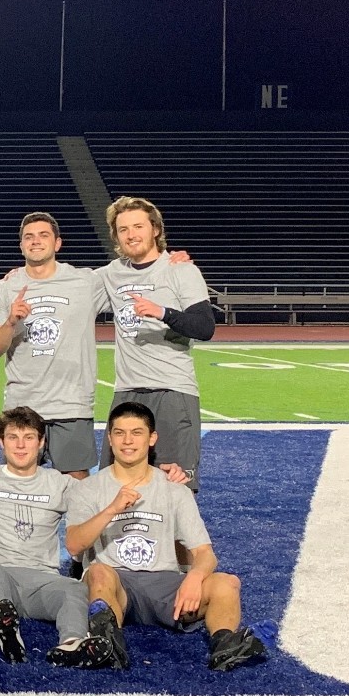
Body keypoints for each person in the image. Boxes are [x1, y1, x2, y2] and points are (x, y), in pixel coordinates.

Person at [65, 402, 267, 671]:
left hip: (165, 582)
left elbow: (205, 553)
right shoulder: (88, 489)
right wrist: (112, 509)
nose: (127, 441)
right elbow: (73, 545)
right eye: (119, 433)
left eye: (136, 433)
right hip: (115, 582)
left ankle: (225, 646)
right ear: (110, 439)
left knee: (227, 583)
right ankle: (108, 644)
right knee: (98, 572)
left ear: (152, 439)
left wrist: (194, 577)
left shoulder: (175, 489)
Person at [0, 407, 115, 668]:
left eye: (29, 437)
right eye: (13, 437)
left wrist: (166, 480)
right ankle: (5, 634)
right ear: (1, 442)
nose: (20, 445)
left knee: (74, 588)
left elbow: (106, 493)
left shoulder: (59, 483)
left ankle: (72, 644)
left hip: (42, 580)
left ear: (41, 442)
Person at [95, 197, 214, 491]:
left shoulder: (180, 270)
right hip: (127, 392)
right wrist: (21, 274)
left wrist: (161, 312)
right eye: (123, 229)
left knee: (176, 489)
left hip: (172, 391)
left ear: (156, 229)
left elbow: (204, 327)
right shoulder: (110, 274)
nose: (131, 235)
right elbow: (63, 284)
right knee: (114, 488)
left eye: (138, 226)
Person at [0, 213, 106, 479]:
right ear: (21, 246)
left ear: (58, 243)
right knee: (20, 487)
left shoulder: (86, 282)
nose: (35, 241)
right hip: (22, 407)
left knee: (76, 489)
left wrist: (171, 259)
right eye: (29, 237)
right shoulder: (6, 288)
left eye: (43, 235)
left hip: (71, 405)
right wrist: (11, 322)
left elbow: (130, 272)